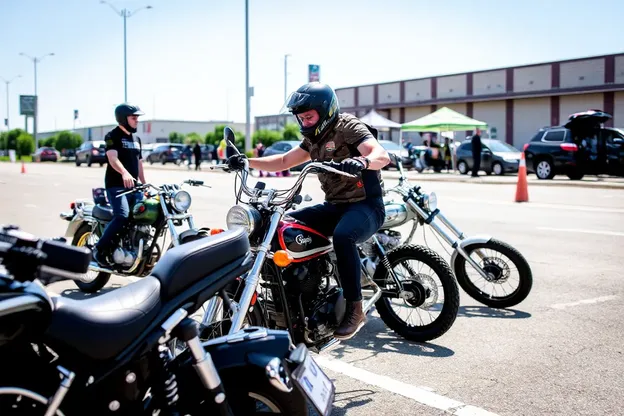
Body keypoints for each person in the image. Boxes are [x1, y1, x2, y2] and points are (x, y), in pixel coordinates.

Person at [227, 82, 391, 340]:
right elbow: (283, 161)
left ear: (326, 111)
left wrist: (362, 161)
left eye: (308, 116)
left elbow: (380, 154)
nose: (304, 121)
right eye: (301, 117)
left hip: (366, 204)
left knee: (344, 236)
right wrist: (246, 161)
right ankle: (300, 294)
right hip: (335, 207)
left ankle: (355, 308)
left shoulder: (348, 126)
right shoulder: (313, 138)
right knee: (282, 226)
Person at [93, 104, 146, 267]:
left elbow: (139, 164)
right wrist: (124, 173)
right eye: (133, 117)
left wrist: (144, 184)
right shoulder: (112, 136)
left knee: (142, 217)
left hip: (135, 188)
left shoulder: (136, 140)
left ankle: (133, 250)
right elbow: (112, 158)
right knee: (122, 215)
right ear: (123, 119)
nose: (137, 120)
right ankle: (99, 249)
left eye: (137, 117)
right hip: (116, 186)